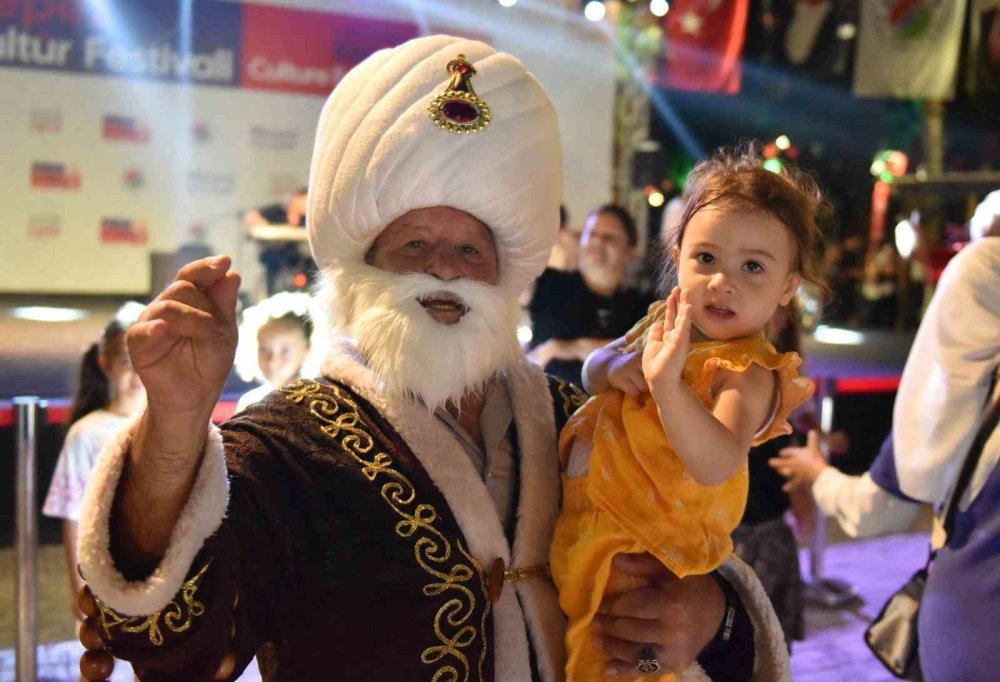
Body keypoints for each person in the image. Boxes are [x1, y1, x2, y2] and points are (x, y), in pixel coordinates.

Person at [75, 37, 789, 682]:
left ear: (507, 274)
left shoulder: (588, 420)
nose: (445, 269)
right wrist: (174, 424)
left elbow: (692, 548)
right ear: (363, 268)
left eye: (471, 249)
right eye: (414, 245)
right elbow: (169, 638)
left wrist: (708, 615)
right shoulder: (285, 445)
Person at [552, 147, 818, 681]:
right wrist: (615, 365)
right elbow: (592, 369)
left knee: (628, 654)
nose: (723, 281)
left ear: (788, 286)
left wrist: (666, 385)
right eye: (706, 259)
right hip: (591, 518)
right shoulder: (664, 321)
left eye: (752, 267)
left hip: (651, 545)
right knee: (569, 636)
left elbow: (717, 461)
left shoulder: (748, 371)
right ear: (678, 256)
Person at [43, 305, 146, 623]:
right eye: (129, 362)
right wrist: (80, 589)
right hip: (106, 572)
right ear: (105, 364)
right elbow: (74, 515)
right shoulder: (86, 433)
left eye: (149, 361)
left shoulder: (174, 426)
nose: (139, 373)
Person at [528, 204, 654, 386]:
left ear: (630, 250)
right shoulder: (548, 283)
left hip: (613, 411)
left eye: (609, 237)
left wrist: (566, 348)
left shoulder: (644, 305)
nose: (597, 242)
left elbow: (645, 355)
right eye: (591, 234)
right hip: (546, 404)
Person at [233, 291, 319, 413]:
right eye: (264, 349)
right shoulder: (250, 402)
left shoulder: (317, 401)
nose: (272, 361)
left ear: (307, 350)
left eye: (285, 351)